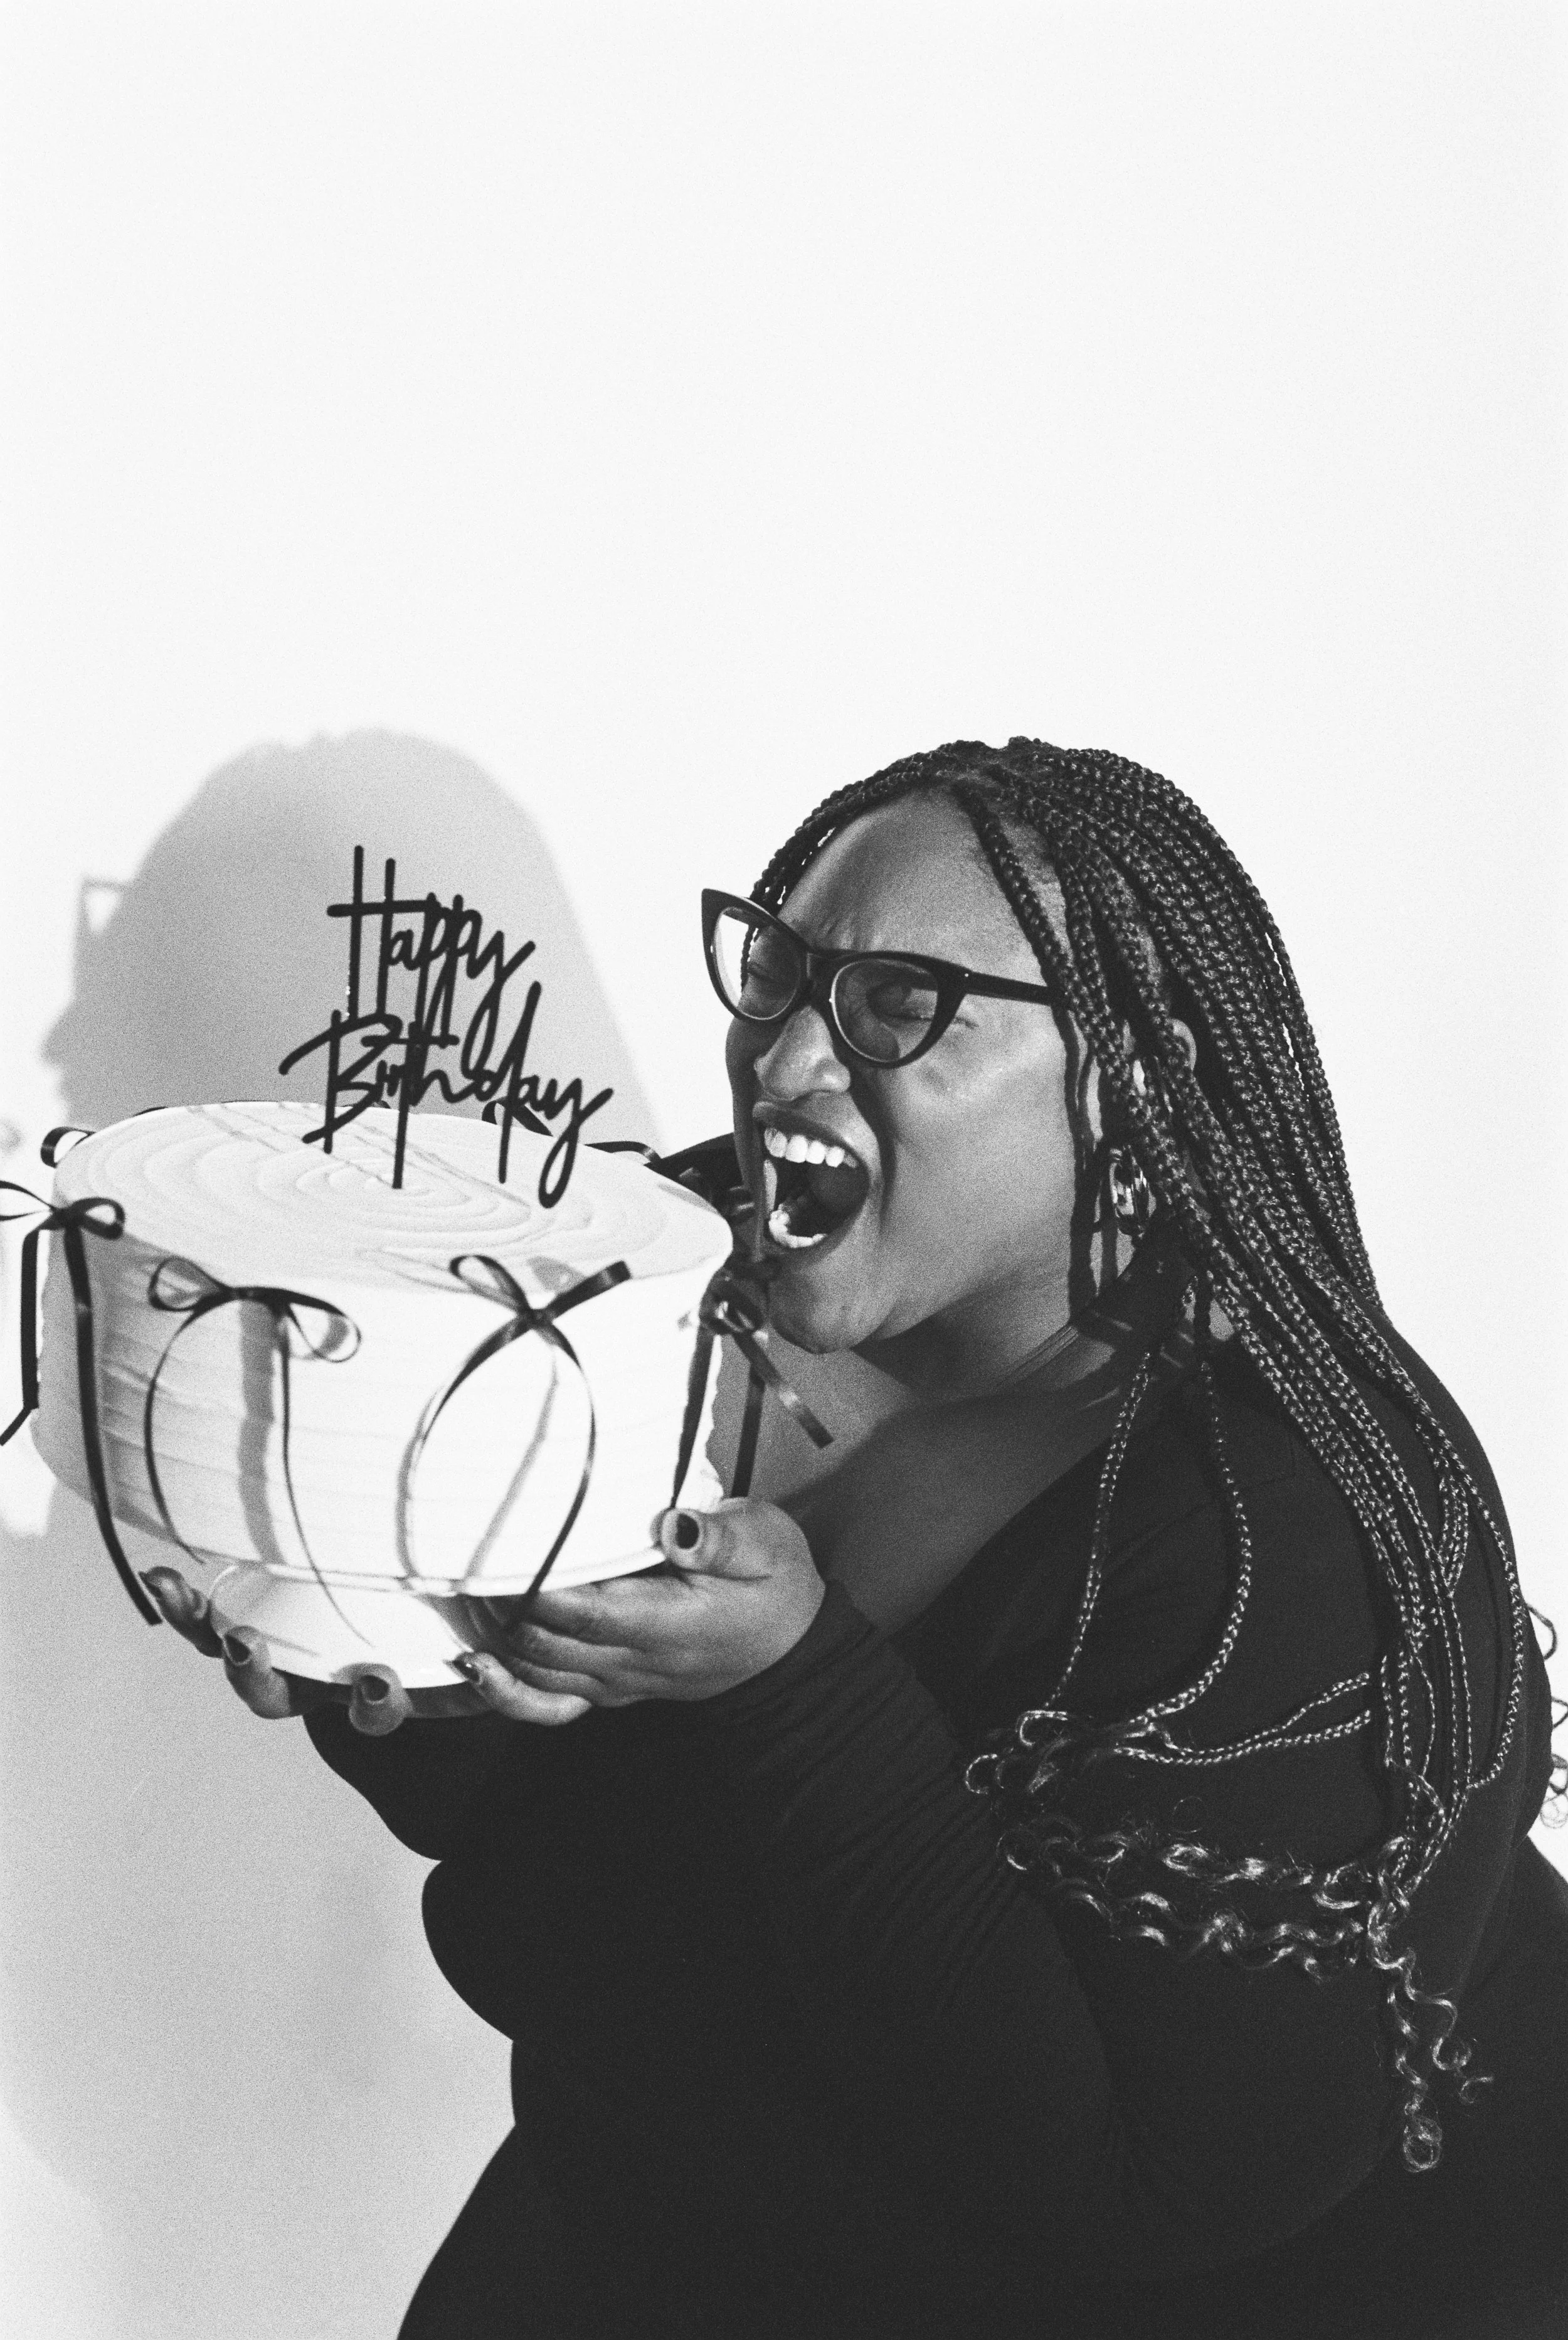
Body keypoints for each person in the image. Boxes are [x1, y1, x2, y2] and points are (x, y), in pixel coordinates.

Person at [146, 738, 1568, 2338]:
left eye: (898, 1002)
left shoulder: (1291, 1534)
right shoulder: (652, 1290)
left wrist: (788, 1680)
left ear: (1139, 1069)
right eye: (780, 970)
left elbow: (1127, 2180)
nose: (783, 1056)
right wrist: (391, 1657)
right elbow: (580, 1875)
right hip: (691, 2215)